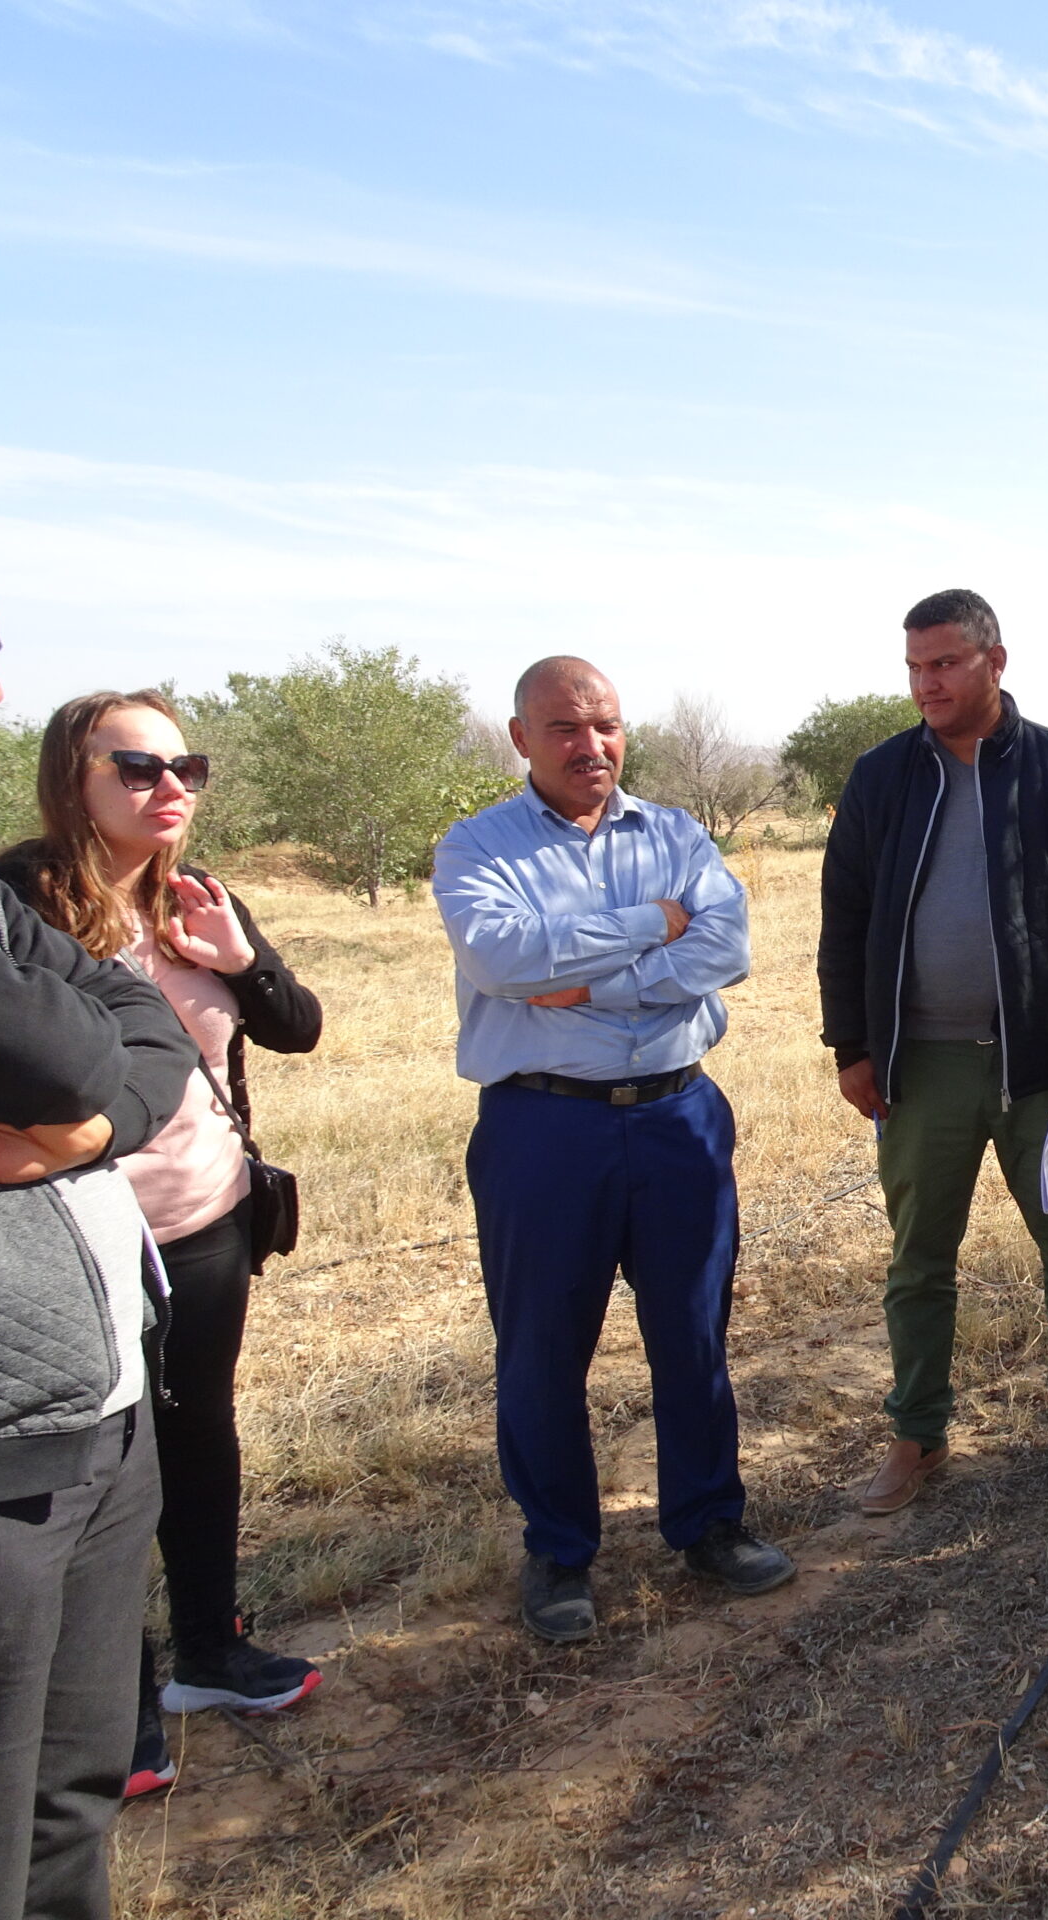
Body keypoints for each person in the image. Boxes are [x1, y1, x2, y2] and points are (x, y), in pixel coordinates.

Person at [0, 691, 324, 1798]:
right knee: (103, 1472)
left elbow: (297, 1026)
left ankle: (212, 1653)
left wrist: (239, 960)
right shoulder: (15, 902)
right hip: (86, 1241)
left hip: (209, 1220)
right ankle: (115, 1711)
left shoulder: (199, 895)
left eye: (186, 764)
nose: (169, 785)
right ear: (71, 779)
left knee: (198, 1438)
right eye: (136, 767)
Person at [432, 655, 793, 1644]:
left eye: (606, 725)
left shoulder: (676, 832)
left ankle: (710, 1524)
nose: (590, 745)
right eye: (564, 728)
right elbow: (501, 958)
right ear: (521, 739)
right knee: (544, 1348)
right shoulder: (479, 848)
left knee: (692, 1334)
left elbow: (727, 948)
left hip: (678, 1116)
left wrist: (591, 979)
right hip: (545, 1127)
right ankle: (558, 1552)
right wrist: (650, 929)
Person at [0, 535, 194, 1920]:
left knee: (66, 1807)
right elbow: (62, 1049)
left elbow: (138, 1035)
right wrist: (82, 1082)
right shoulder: (11, 877)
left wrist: (77, 1122)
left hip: (100, 1423)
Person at [818, 589, 1048, 1514]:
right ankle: (915, 1437)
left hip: (1045, 1065)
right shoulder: (883, 776)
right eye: (916, 667)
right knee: (920, 1258)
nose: (928, 682)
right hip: (919, 1066)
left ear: (995, 662)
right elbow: (844, 916)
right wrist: (852, 1044)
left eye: (946, 664)